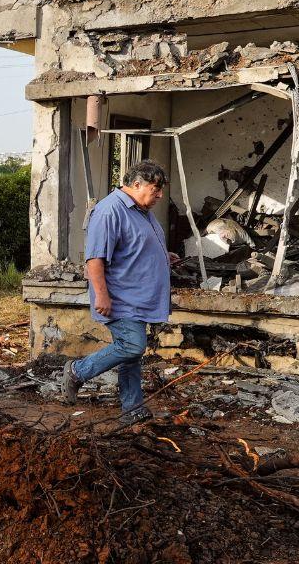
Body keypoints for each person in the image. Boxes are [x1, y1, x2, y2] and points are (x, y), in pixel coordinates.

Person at [61, 160, 179, 425]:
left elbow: (133, 246)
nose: (160, 195)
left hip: (138, 297)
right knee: (132, 345)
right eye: (156, 189)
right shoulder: (109, 211)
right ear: (136, 184)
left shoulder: (141, 210)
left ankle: (131, 408)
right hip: (120, 297)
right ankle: (78, 371)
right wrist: (101, 295)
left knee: (131, 355)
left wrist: (162, 255)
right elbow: (95, 259)